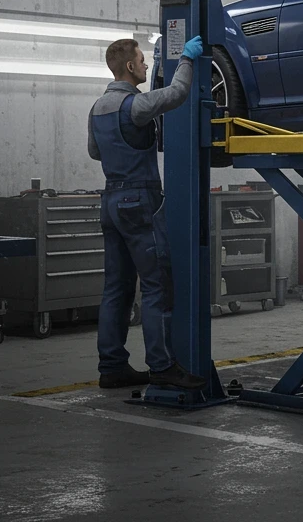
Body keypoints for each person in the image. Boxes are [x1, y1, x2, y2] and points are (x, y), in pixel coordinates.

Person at [88, 35, 208, 391]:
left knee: (116, 289)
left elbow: (96, 152)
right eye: (142, 60)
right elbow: (176, 94)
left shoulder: (97, 108)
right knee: (156, 286)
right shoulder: (134, 106)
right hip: (138, 203)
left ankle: (111, 366)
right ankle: (161, 366)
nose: (144, 65)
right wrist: (186, 59)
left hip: (110, 202)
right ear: (129, 66)